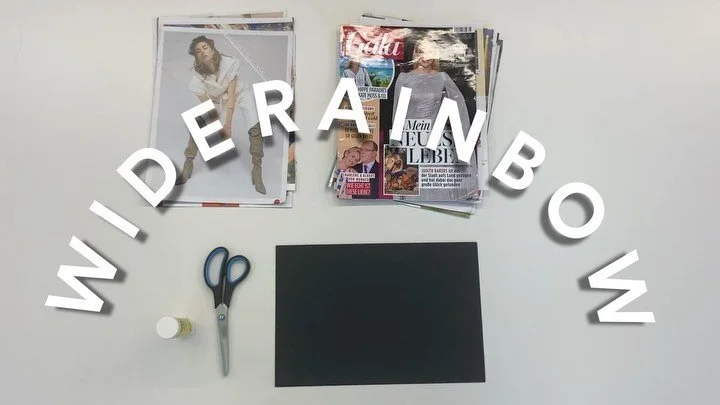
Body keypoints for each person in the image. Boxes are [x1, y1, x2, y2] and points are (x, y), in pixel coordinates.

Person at [177, 35, 266, 194]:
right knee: (198, 122)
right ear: (196, 57)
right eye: (198, 51)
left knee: (255, 125)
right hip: (216, 99)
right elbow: (208, 108)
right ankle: (188, 164)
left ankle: (257, 170)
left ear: (212, 49)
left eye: (205, 48)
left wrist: (228, 126)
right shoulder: (196, 80)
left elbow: (231, 97)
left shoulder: (229, 63)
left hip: (239, 93)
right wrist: (217, 128)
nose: (202, 52)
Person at [392, 37, 471, 135]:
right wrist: (396, 139)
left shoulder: (442, 78)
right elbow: (398, 114)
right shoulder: (405, 78)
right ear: (415, 54)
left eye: (429, 52)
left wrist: (463, 136)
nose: (425, 57)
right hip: (411, 136)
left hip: (435, 136)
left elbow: (459, 108)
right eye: (421, 52)